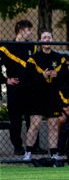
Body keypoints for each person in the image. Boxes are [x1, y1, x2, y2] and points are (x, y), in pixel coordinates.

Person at [0, 20, 45, 155]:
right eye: (29, 30)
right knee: (16, 120)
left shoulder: (32, 47)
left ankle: (33, 146)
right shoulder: (6, 48)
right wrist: (5, 80)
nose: (31, 33)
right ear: (21, 30)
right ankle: (18, 147)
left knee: (32, 119)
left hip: (31, 88)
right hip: (15, 88)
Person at [23, 30, 67, 161]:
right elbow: (28, 78)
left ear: (52, 40)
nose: (47, 39)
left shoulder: (60, 58)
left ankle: (53, 154)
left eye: (49, 37)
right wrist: (42, 75)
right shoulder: (33, 59)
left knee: (53, 125)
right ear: (40, 41)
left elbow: (65, 76)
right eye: (44, 37)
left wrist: (56, 75)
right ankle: (28, 153)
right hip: (37, 96)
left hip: (52, 96)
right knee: (35, 124)